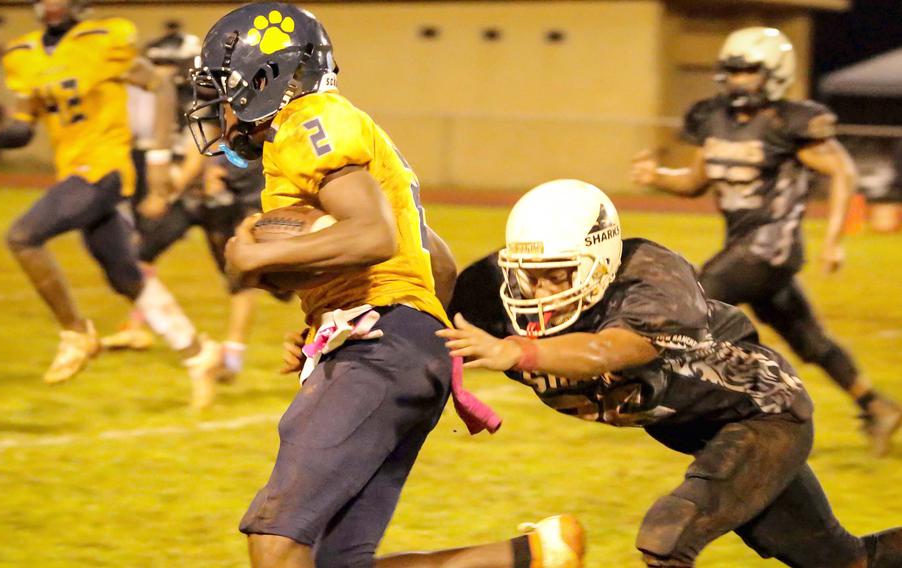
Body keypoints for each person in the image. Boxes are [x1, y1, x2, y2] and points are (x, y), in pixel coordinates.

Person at [187, 4, 584, 567]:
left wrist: (259, 253)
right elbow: (435, 261)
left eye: (222, 90)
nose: (216, 109)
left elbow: (373, 236)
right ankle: (532, 557)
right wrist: (331, 319)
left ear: (262, 79)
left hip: (379, 350)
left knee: (276, 546)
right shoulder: (313, 140)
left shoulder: (308, 122)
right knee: (336, 563)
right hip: (400, 347)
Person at [441, 179, 902, 568]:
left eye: (558, 275)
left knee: (667, 536)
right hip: (695, 430)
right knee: (848, 561)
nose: (539, 292)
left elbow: (613, 349)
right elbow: (430, 316)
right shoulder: (489, 291)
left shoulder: (652, 278)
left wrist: (520, 352)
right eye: (528, 276)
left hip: (764, 415)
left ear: (601, 264)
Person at [631, 27, 901, 456]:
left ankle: (666, 401)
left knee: (690, 302)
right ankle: (875, 404)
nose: (738, 81)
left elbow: (843, 171)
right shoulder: (713, 119)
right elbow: (695, 181)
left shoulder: (788, 122)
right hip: (746, 251)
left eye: (749, 72)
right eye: (733, 72)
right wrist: (656, 178)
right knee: (810, 341)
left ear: (775, 73)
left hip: (770, 249)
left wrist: (833, 239)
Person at [0, 0, 221, 402]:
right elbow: (24, 129)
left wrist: (157, 158)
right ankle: (199, 353)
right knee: (125, 276)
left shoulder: (104, 39)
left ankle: (76, 332)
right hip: (72, 170)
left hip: (105, 167)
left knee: (22, 236)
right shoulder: (23, 53)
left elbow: (161, 86)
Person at [101, 25, 262, 390]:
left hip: (226, 194)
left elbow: (203, 147)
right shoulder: (171, 97)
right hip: (194, 196)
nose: (152, 71)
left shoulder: (208, 93)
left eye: (159, 64)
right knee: (139, 254)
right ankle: (138, 327)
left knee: (240, 276)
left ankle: (233, 356)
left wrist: (166, 191)